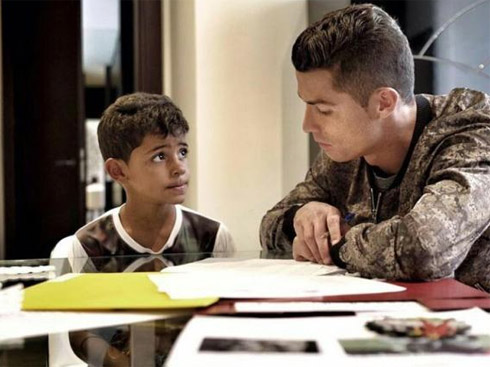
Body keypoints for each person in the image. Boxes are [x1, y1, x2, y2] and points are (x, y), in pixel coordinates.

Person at [260, 3, 490, 292]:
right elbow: (269, 224)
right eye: (307, 105)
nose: (307, 125)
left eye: (323, 109)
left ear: (383, 103)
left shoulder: (473, 133)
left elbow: (423, 249)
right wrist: (302, 216)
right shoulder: (349, 150)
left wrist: (336, 244)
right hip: (404, 321)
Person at [51, 92, 235, 272]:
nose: (179, 167)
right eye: (160, 156)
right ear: (118, 171)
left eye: (182, 152)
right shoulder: (87, 247)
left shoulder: (213, 237)